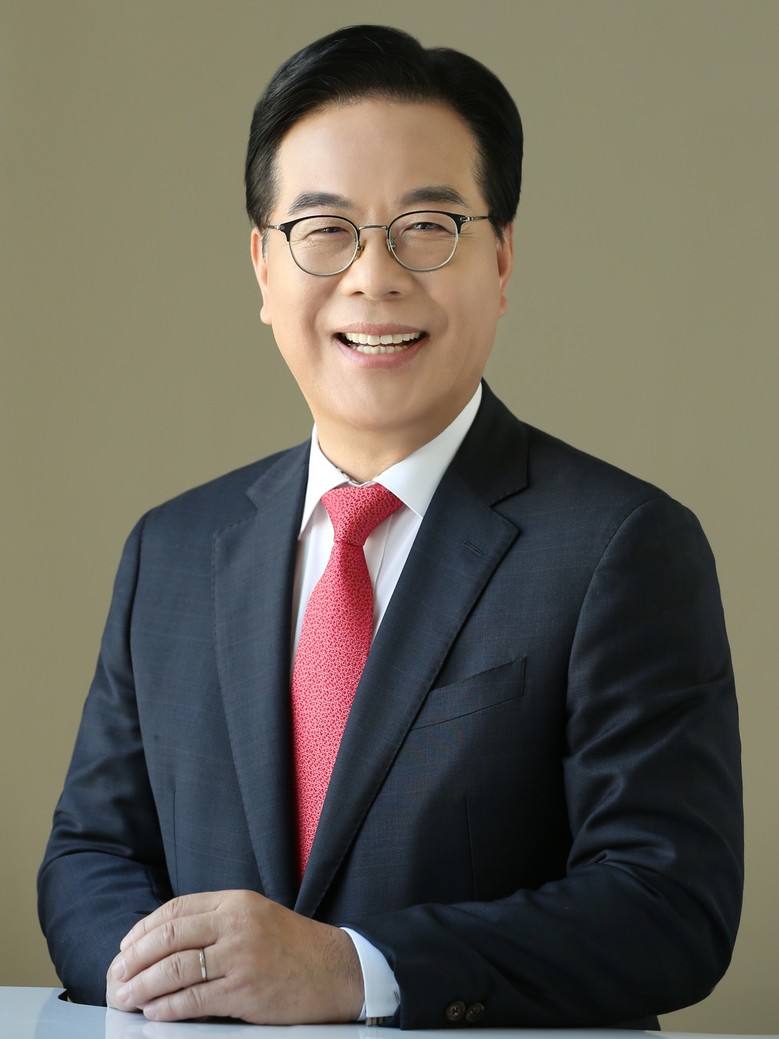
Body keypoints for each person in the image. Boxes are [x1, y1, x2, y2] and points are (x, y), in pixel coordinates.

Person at [38, 24, 743, 1030]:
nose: (374, 276)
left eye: (426, 226)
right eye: (325, 230)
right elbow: (89, 854)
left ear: (501, 259)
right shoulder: (173, 549)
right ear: (263, 268)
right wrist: (169, 976)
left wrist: (352, 969)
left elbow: (667, 903)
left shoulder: (619, 547)